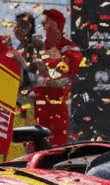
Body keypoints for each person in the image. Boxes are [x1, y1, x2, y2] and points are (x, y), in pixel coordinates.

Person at [31, 9, 82, 145]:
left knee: (55, 149)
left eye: (47, 21)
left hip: (57, 110)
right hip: (36, 110)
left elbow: (64, 80)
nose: (43, 25)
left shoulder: (69, 49)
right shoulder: (38, 48)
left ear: (56, 24)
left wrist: (42, 78)